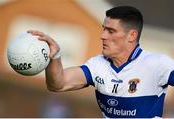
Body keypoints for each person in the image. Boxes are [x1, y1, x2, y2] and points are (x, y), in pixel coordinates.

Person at [28, 6, 174, 118]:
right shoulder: (97, 65)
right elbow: (58, 84)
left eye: (111, 31)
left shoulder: (157, 64)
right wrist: (55, 56)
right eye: (103, 29)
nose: (102, 36)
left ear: (132, 35)